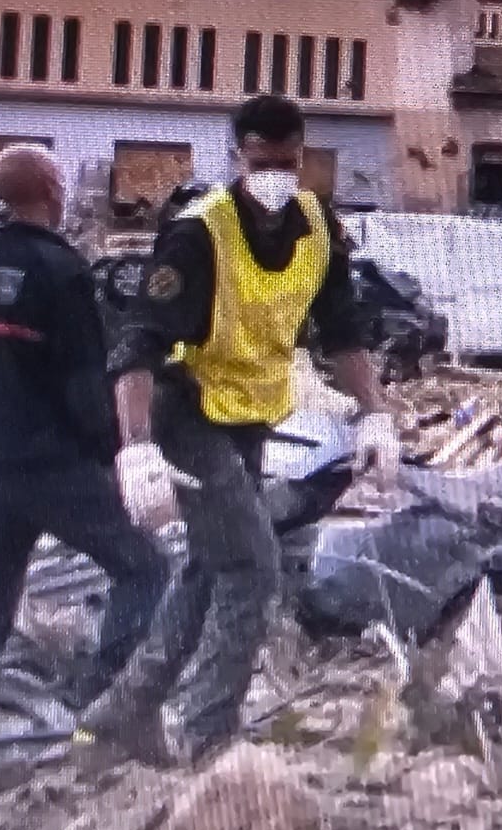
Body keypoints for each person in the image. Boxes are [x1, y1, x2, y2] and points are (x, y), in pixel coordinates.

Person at [78, 95, 400, 766]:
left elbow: (341, 328)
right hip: (187, 414)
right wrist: (135, 449)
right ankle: (207, 736)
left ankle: (115, 717)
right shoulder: (199, 233)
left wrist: (373, 409)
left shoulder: (317, 225)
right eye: (262, 163)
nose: (276, 176)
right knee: (253, 569)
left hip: (250, 416)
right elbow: (135, 346)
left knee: (206, 565)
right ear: (237, 157)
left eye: (287, 162)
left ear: (302, 154)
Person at [0, 146, 168, 793]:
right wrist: (114, 456)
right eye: (60, 180)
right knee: (144, 567)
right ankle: (100, 718)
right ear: (51, 189)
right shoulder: (61, 271)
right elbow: (85, 382)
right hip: (51, 462)